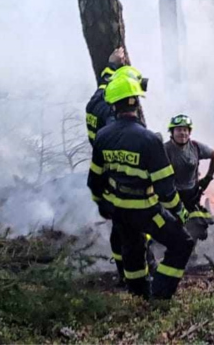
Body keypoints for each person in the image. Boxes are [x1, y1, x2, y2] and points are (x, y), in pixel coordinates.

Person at [88, 68, 195, 300]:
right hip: (146, 210)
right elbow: (165, 190)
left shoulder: (102, 137)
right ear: (136, 102)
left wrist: (103, 205)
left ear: (113, 105)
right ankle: (159, 295)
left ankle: (138, 297)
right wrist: (182, 213)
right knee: (182, 243)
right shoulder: (149, 139)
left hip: (119, 210)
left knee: (132, 251)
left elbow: (94, 181)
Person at [85, 47, 126, 284]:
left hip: (106, 171)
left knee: (119, 225)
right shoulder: (112, 115)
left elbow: (103, 89)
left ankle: (123, 269)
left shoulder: (95, 102)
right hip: (118, 173)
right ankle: (132, 275)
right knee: (128, 225)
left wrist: (111, 67)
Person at [164, 114, 214, 240]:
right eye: (179, 129)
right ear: (172, 132)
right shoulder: (165, 149)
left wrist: (208, 178)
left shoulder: (195, 147)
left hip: (191, 196)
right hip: (172, 196)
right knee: (172, 226)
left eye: (185, 130)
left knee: (198, 230)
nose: (182, 133)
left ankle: (190, 250)